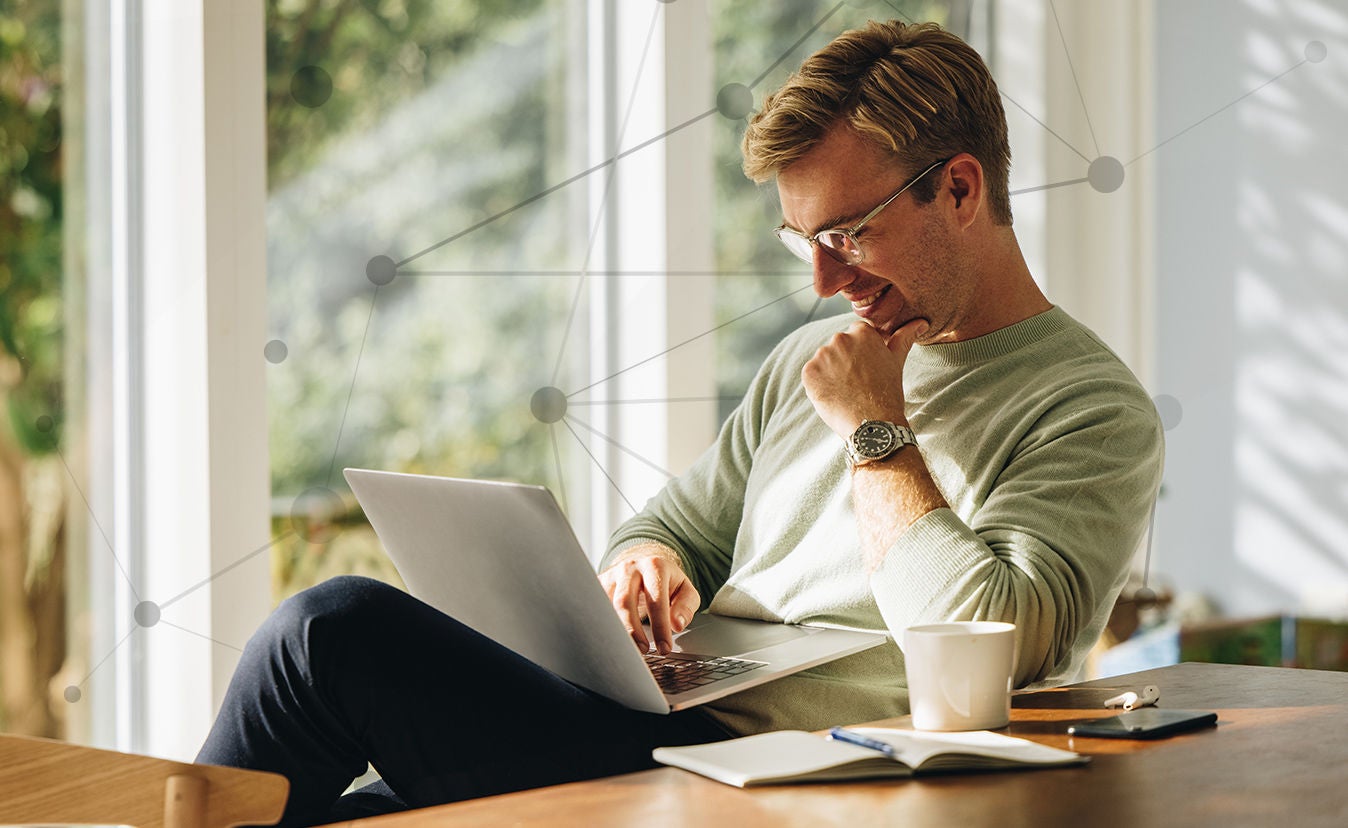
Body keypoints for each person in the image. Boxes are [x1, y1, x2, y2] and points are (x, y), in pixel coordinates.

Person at [197, 19, 1163, 825]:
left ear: (959, 189)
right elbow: (673, 529)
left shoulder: (1090, 410)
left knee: (328, 634)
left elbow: (986, 636)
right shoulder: (803, 367)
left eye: (846, 233)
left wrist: (877, 430)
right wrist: (642, 567)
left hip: (792, 775)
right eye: (803, 242)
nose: (823, 281)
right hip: (649, 725)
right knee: (326, 813)